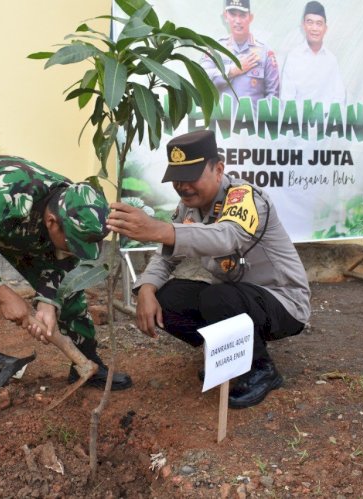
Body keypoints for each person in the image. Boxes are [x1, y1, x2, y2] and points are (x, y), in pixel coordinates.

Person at [0, 155, 132, 452]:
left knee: (70, 293)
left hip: (25, 227)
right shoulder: (7, 197)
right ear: (52, 222)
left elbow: (63, 263)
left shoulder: (72, 204)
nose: (73, 250)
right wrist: (5, 296)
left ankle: (85, 362)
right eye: (71, 242)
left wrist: (47, 303)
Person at [107, 130, 310, 409]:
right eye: (177, 179)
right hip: (240, 297)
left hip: (283, 303)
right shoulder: (188, 209)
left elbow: (227, 236)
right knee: (169, 297)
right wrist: (146, 288)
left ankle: (261, 369)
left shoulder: (246, 197)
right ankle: (226, 356)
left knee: (218, 298)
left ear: (218, 169)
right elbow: (167, 256)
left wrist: (160, 229)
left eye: (191, 177)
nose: (182, 186)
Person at [200, 0, 280, 100]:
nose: (238, 20)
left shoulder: (265, 52)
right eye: (233, 15)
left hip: (253, 116)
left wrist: (262, 115)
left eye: (242, 15)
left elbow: (273, 96)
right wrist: (233, 70)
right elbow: (201, 79)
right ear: (225, 16)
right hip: (222, 116)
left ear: (250, 18)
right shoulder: (215, 49)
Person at [280, 1, 346, 104]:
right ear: (303, 25)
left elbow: (339, 97)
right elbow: (287, 99)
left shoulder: (331, 60)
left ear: (325, 28)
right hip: (299, 119)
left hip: (326, 119)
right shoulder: (293, 58)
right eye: (310, 22)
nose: (314, 28)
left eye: (319, 23)